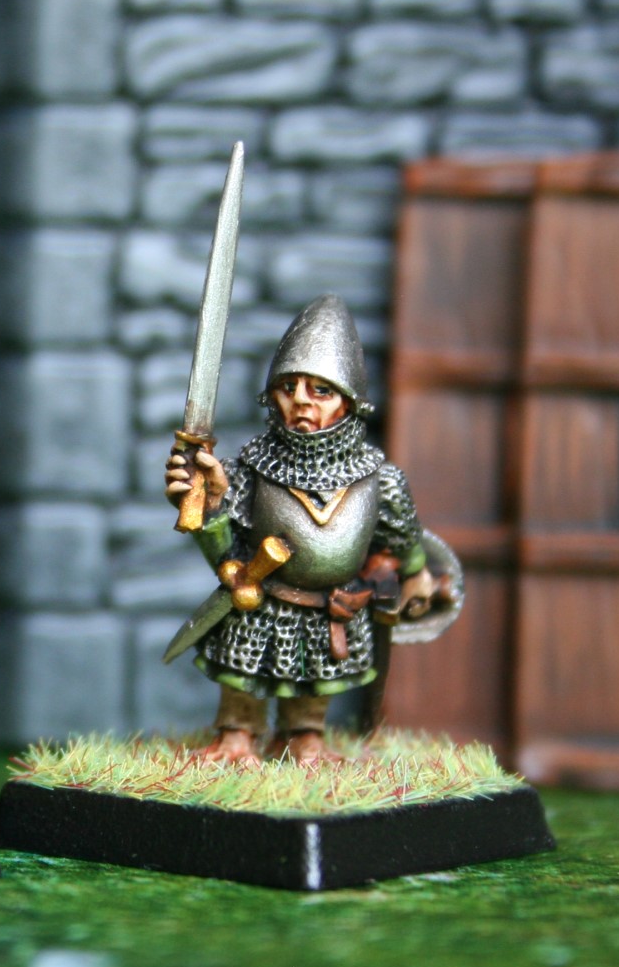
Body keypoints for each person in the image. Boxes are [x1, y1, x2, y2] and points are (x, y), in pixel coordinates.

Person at [165, 294, 442, 766]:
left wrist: (416, 574)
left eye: (320, 391)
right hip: (261, 600)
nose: (299, 402)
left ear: (349, 402)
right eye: (288, 387)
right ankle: (236, 738)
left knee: (316, 681)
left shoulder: (379, 480)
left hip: (330, 607)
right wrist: (206, 505)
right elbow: (225, 551)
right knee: (243, 674)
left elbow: (400, 536)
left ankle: (304, 740)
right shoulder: (249, 472)